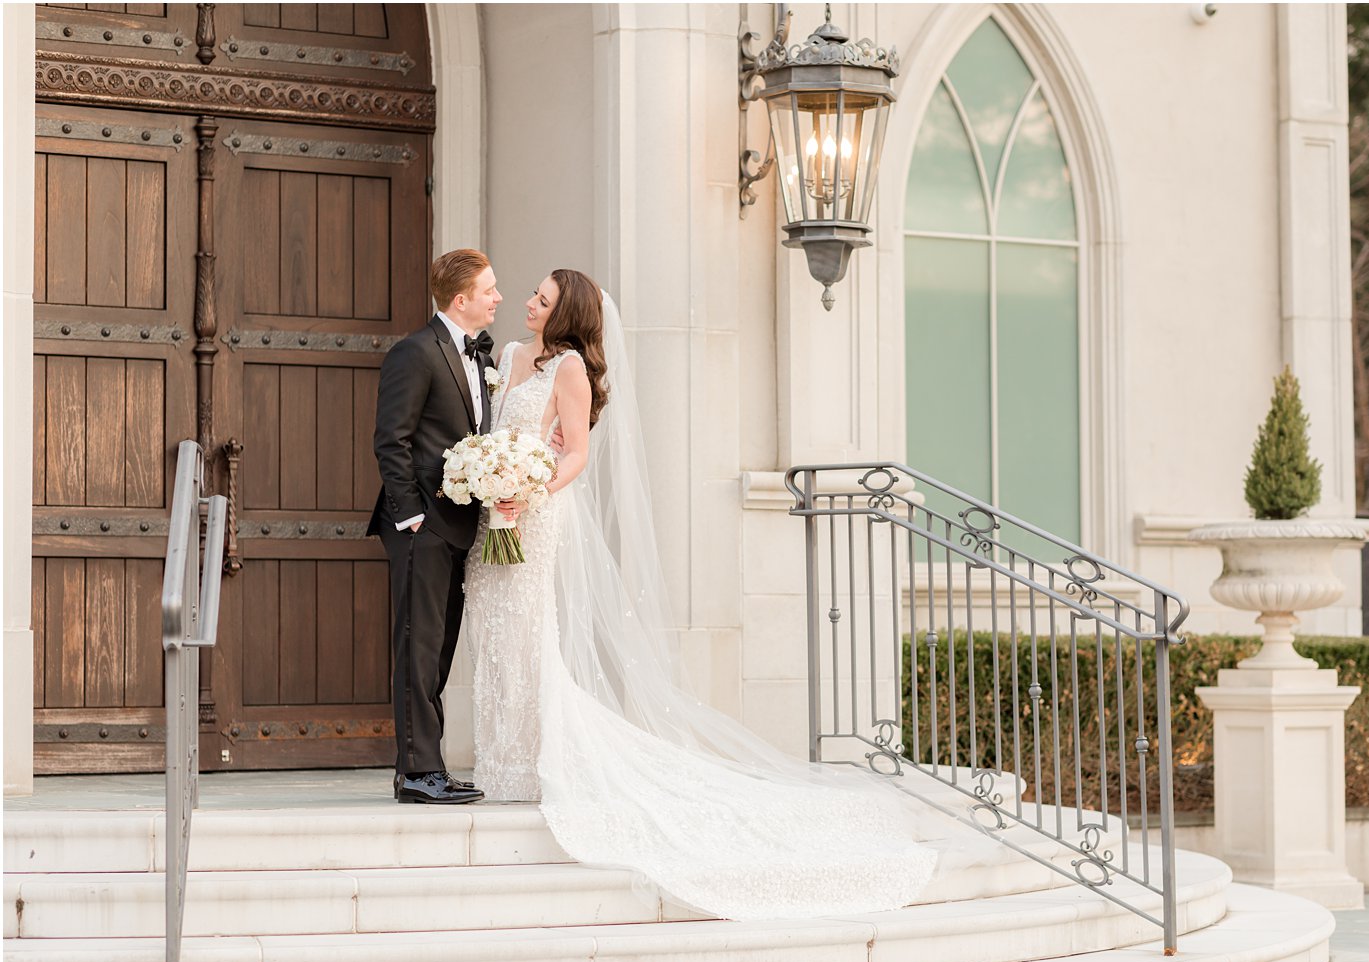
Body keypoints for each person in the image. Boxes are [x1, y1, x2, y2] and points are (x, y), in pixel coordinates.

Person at [462, 269, 983, 920]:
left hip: (536, 515)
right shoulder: (508, 357)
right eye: (533, 294)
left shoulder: (568, 368)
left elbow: (576, 456)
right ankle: (498, 757)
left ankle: (530, 760)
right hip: (493, 513)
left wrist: (531, 487)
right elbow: (487, 432)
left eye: (542, 297)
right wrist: (484, 475)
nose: (530, 303)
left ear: (567, 312)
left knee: (529, 629)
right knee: (493, 629)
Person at [368, 249, 501, 805]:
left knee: (440, 647)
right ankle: (418, 772)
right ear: (460, 299)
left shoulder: (477, 357)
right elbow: (390, 439)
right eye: (489, 289)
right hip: (421, 525)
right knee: (418, 646)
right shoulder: (415, 353)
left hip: (459, 524)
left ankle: (427, 765)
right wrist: (411, 515)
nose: (497, 297)